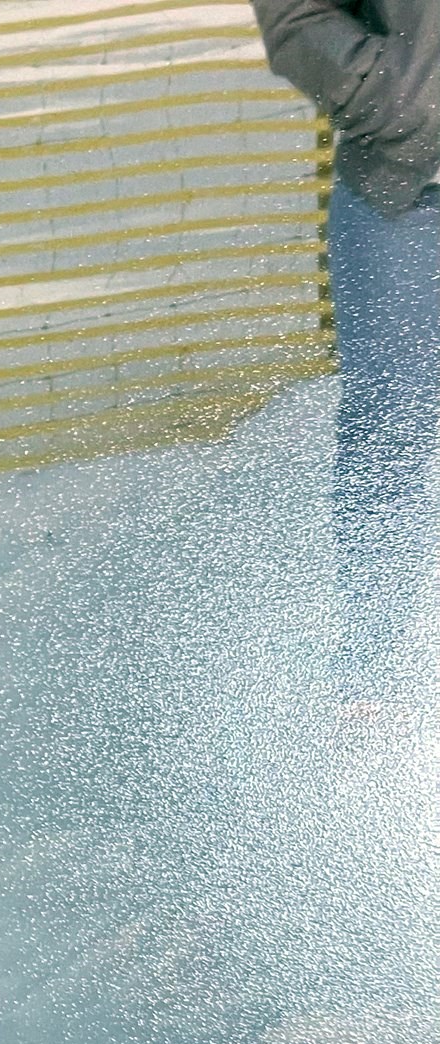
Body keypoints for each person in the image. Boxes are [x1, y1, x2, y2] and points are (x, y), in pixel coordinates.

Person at [253, 1, 440, 711]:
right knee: (390, 441)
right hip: (407, 196)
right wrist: (412, 102)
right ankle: (378, 687)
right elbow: (298, 18)